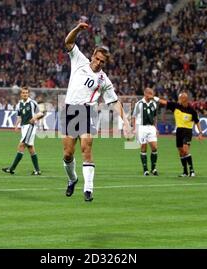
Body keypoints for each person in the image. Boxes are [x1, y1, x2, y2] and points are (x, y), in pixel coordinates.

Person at [62, 22, 131, 202]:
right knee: (68, 153)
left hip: (86, 111)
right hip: (70, 110)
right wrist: (77, 29)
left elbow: (114, 101)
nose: (99, 63)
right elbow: (68, 42)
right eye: (97, 58)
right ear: (93, 55)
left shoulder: (104, 80)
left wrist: (126, 122)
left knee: (86, 147)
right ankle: (72, 179)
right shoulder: (79, 60)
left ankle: (88, 189)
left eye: (103, 61)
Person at [157, 92, 203, 177]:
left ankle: (192, 170)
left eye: (180, 98)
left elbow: (197, 122)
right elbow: (164, 102)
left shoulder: (192, 110)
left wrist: (200, 133)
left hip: (187, 131)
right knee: (181, 152)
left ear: (184, 99)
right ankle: (185, 171)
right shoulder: (175, 106)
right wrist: (153, 97)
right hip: (179, 131)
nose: (178, 100)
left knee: (185, 150)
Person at [2, 86, 44, 175]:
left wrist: (34, 118)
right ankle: (37, 170)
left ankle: (12, 169)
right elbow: (19, 116)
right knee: (30, 148)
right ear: (21, 94)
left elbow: (41, 113)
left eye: (26, 93)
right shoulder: (19, 104)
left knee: (21, 145)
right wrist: (16, 125)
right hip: (24, 127)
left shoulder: (32, 103)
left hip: (30, 127)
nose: (25, 94)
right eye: (23, 93)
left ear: (28, 94)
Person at [132, 87, 162, 176]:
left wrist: (156, 128)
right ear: (145, 93)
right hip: (141, 128)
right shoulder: (139, 104)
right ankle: (145, 169)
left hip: (151, 128)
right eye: (150, 93)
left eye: (152, 93)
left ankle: (153, 168)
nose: (152, 95)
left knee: (154, 147)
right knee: (143, 148)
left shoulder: (154, 104)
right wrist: (134, 128)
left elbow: (155, 117)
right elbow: (134, 116)